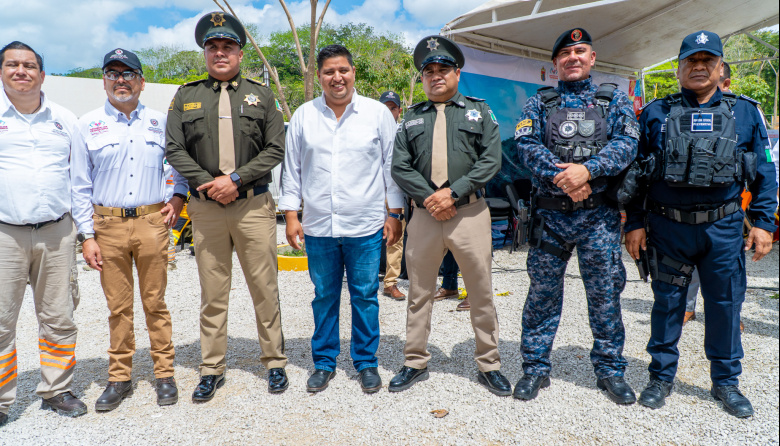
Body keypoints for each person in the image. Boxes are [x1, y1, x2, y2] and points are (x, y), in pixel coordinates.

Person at [625, 30, 777, 418]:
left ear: (721, 67)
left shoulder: (745, 111)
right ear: (678, 68)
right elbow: (638, 175)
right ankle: (660, 377)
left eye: (707, 60)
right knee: (667, 304)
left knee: (726, 305)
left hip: (723, 230)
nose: (698, 66)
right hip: (668, 227)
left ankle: (726, 382)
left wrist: (763, 222)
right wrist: (635, 224)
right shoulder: (656, 112)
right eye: (691, 60)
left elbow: (763, 172)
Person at [165, 12, 288, 402]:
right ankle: (211, 368)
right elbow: (173, 149)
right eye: (213, 47)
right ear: (205, 52)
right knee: (213, 291)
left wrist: (235, 180)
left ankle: (274, 362)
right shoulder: (186, 95)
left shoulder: (261, 94)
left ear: (239, 52)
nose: (220, 53)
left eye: (228, 46)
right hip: (206, 209)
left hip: (252, 206)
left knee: (264, 287)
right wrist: (209, 184)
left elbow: (275, 148)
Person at [514, 28, 639, 405]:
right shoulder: (539, 103)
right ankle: (535, 367)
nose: (573, 58)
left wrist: (589, 171)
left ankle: (610, 370)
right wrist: (561, 175)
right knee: (542, 294)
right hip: (551, 220)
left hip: (597, 219)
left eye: (580, 51)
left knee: (604, 296)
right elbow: (524, 143)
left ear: (592, 58)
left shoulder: (613, 100)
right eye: (565, 54)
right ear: (555, 64)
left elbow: (628, 143)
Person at [390, 35, 511, 396]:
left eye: (443, 69)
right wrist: (431, 198)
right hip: (425, 215)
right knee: (419, 292)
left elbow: (492, 160)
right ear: (422, 77)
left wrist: (453, 193)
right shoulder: (410, 118)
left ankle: (488, 364)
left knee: (481, 291)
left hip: (469, 212)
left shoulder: (480, 111)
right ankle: (414, 361)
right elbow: (400, 166)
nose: (436, 76)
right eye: (429, 71)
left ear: (457, 72)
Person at [281, 45, 403, 394]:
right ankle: (324, 362)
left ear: (354, 73)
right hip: (319, 226)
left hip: (364, 225)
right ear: (319, 76)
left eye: (343, 71)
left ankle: (366, 362)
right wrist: (291, 215)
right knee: (324, 295)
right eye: (329, 72)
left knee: (365, 295)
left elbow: (390, 168)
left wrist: (393, 213)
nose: (337, 78)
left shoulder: (377, 114)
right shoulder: (304, 116)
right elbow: (293, 170)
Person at [71, 48, 187, 411]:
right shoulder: (86, 124)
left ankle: (164, 374)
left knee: (155, 302)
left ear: (141, 80)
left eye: (128, 73)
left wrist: (179, 199)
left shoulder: (160, 122)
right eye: (112, 73)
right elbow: (78, 184)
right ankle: (119, 377)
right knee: (118, 307)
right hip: (108, 225)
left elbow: (179, 164)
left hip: (153, 222)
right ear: (104, 81)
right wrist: (86, 235)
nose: (121, 80)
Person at [0, 41, 87, 426]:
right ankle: (2, 399)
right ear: (2, 71)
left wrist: (86, 233)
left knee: (58, 315)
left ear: (42, 74)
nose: (22, 71)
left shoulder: (65, 119)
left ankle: (57, 388)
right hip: (5, 235)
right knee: (1, 320)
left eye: (30, 65)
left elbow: (80, 178)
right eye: (13, 65)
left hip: (58, 233)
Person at [378, 90, 407, 301]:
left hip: (395, 193)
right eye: (385, 108)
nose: (389, 112)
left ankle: (390, 283)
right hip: (370, 192)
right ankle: (366, 283)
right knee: (366, 237)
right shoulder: (368, 129)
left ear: (399, 110)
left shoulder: (405, 131)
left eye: (393, 108)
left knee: (395, 239)